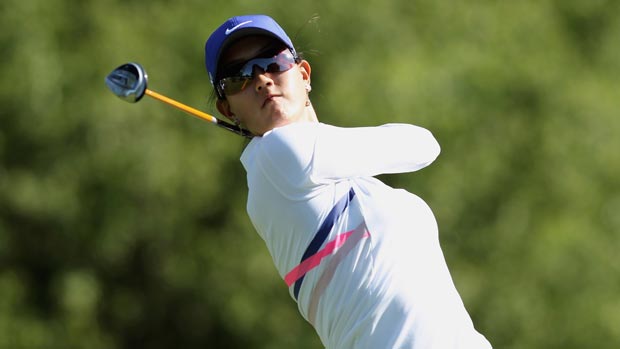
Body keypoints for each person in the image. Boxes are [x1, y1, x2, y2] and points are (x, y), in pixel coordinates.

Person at [204, 14, 493, 349]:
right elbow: (422, 144)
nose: (262, 80)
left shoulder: (340, 179)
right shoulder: (276, 156)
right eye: (238, 77)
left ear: (304, 74)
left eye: (273, 61)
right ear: (228, 110)